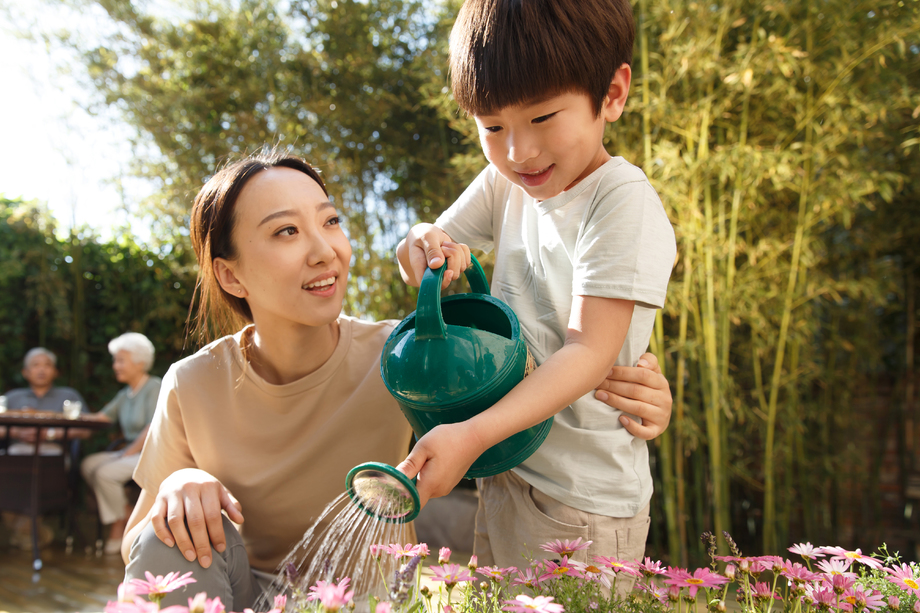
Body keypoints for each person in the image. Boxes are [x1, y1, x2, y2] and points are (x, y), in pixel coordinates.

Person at [120, 150, 672, 609]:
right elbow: (139, 548)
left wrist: (629, 386)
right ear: (229, 273)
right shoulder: (193, 383)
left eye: (330, 221)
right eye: (286, 231)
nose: (325, 250)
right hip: (236, 593)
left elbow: (530, 384)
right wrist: (173, 487)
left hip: (359, 599)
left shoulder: (401, 359)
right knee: (168, 541)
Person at [395, 0, 677, 578]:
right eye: (493, 127)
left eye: (543, 118)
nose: (519, 151)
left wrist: (471, 435)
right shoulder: (507, 185)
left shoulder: (618, 200)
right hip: (509, 471)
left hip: (581, 500)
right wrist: (424, 242)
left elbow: (587, 352)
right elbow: (427, 244)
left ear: (612, 94)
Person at [81, 332, 160, 556]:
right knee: (88, 464)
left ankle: (119, 524)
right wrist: (66, 416)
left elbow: (153, 427)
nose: (115, 366)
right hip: (129, 452)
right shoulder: (126, 394)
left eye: (120, 360)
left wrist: (128, 452)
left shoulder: (154, 387)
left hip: (150, 454)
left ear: (139, 361)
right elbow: (101, 418)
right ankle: (126, 512)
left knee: (105, 473)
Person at [1, 347, 89, 550]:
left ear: (55, 371)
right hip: (18, 454)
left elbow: (85, 430)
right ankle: (32, 532)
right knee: (6, 467)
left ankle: (28, 531)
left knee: (41, 469)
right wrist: (17, 433)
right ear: (25, 372)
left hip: (53, 455)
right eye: (36, 365)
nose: (41, 369)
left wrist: (50, 434)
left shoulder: (68, 396)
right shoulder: (12, 397)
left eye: (47, 365)